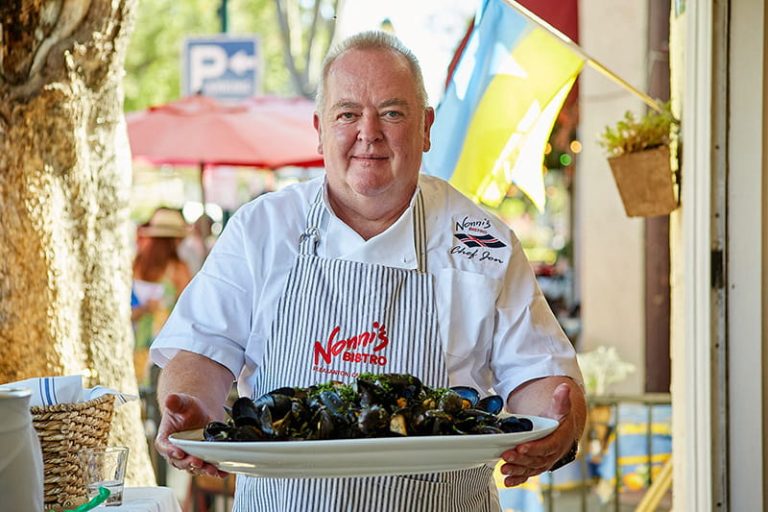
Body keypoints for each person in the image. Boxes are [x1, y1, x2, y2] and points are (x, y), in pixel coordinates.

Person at [150, 31, 586, 512]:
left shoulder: (480, 239)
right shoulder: (262, 228)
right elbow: (202, 352)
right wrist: (191, 409)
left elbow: (542, 376)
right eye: (348, 114)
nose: (368, 133)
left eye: (393, 113)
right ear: (319, 128)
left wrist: (555, 426)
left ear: (426, 127)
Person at [132, 208, 192, 385]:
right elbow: (188, 308)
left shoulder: (136, 265)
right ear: (174, 239)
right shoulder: (178, 269)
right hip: (166, 345)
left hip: (136, 341)